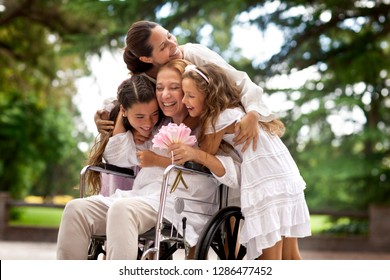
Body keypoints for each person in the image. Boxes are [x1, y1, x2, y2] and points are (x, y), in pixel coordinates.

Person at [56, 64, 240, 260]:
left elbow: (233, 174)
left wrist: (190, 157)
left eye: (174, 87)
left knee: (122, 209)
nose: (165, 94)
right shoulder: (155, 126)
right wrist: (122, 113)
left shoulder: (211, 126)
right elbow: (116, 155)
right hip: (143, 197)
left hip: (180, 204)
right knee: (76, 209)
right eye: (160, 88)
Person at [169, 61, 311, 260]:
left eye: (190, 95)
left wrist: (189, 143)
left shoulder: (216, 118)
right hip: (285, 177)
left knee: (268, 259)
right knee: (290, 255)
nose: (184, 101)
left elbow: (205, 156)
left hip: (266, 183)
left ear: (210, 96)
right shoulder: (237, 111)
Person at [96, 20, 275, 152]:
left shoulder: (193, 54)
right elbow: (127, 98)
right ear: (147, 59)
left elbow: (240, 80)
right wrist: (102, 116)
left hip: (228, 128)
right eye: (163, 46)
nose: (173, 45)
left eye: (169, 36)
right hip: (191, 138)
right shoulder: (146, 77)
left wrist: (252, 113)